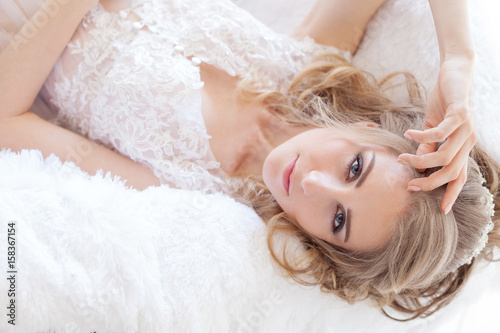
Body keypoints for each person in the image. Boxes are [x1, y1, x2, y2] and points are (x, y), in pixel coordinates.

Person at [0, 0, 497, 320]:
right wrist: (458, 60)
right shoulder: (304, 61)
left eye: (339, 219)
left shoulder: (192, 190)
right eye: (355, 169)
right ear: (369, 131)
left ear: (327, 247)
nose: (313, 183)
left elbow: (6, 120)